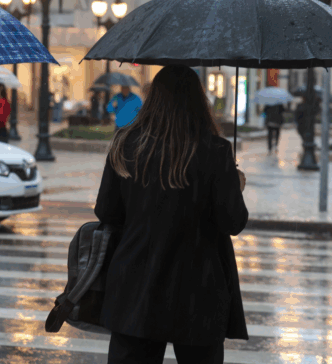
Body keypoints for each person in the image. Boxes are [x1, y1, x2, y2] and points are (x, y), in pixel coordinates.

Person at [95, 65, 249, 364]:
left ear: (153, 98)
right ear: (198, 101)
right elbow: (233, 222)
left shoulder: (126, 145)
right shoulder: (215, 151)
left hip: (136, 286)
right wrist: (235, 185)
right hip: (198, 290)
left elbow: (106, 212)